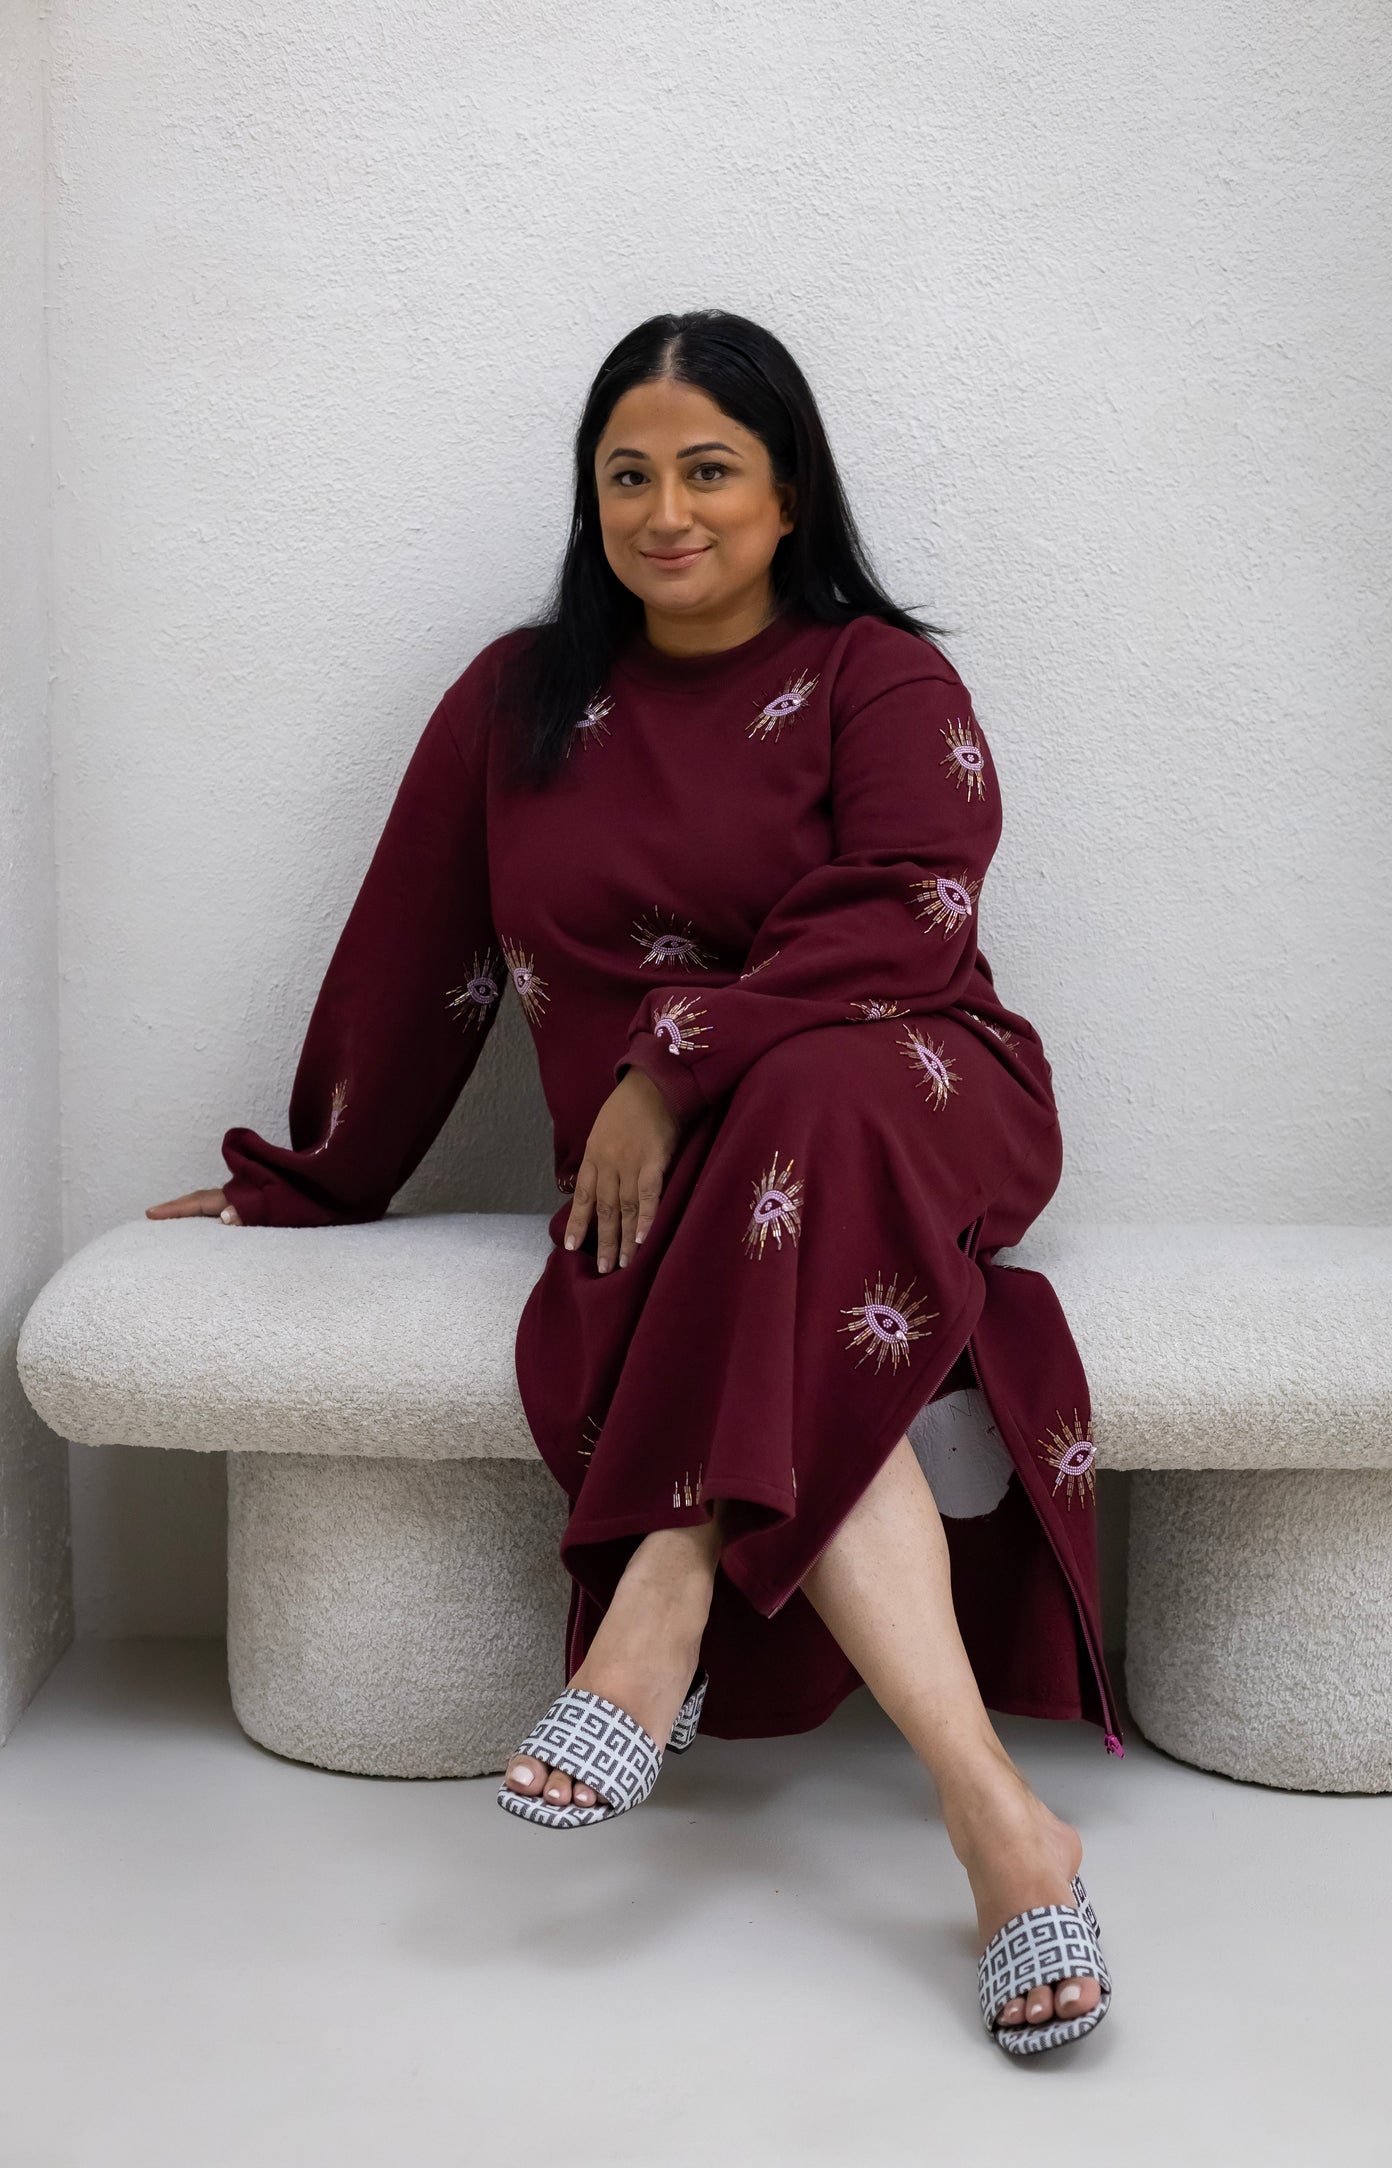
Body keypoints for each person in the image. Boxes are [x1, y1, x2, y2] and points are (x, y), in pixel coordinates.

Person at [150, 309, 1119, 2054]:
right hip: (690, 1197)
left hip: (917, 1099)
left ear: (788, 489)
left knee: (812, 1089)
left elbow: (911, 905)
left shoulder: (880, 678)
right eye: (627, 474)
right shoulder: (519, 702)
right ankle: (998, 1822)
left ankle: (660, 1589)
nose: (666, 510)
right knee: (779, 1180)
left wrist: (670, 1063)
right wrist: (314, 1171)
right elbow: (412, 955)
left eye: (708, 470)